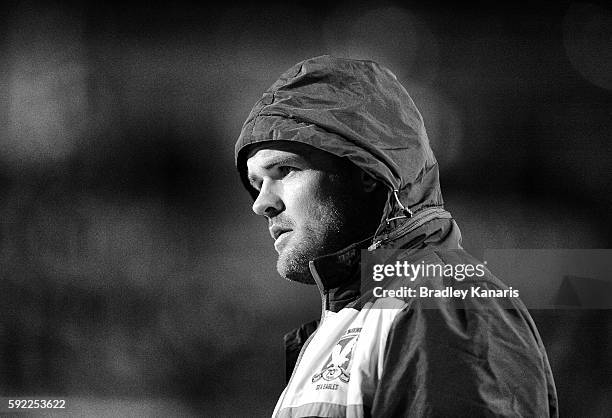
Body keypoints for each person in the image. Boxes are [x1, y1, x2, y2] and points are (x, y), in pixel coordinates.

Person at [235, 55, 558, 417]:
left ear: (368, 171)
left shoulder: (444, 301)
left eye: (285, 170)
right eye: (256, 183)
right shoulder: (352, 317)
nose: (261, 203)